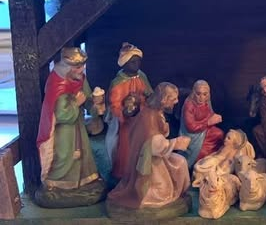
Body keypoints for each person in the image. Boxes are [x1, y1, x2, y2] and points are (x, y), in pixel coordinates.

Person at [107, 82, 191, 209]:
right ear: (164, 99)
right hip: (148, 161)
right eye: (173, 99)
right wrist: (175, 143)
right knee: (162, 190)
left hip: (157, 156)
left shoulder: (157, 112)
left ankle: (180, 193)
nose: (176, 101)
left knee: (181, 162)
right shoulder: (149, 116)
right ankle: (143, 196)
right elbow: (154, 145)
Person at [36, 47, 103, 192]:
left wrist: (95, 104)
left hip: (77, 124)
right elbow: (60, 114)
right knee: (65, 154)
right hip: (63, 130)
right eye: (78, 67)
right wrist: (76, 103)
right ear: (67, 67)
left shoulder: (80, 78)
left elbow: (86, 97)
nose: (82, 70)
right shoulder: (58, 85)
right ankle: (57, 182)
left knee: (83, 151)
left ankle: (83, 180)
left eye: (83, 66)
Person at [106, 42, 153, 179]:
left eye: (138, 62)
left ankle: (142, 170)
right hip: (126, 121)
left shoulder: (141, 76)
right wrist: (125, 113)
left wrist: (145, 101)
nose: (137, 65)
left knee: (143, 143)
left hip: (142, 117)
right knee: (127, 146)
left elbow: (149, 93)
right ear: (125, 63)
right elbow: (114, 104)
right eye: (133, 62)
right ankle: (124, 172)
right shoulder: (118, 82)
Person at [179, 80, 225, 167]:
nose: (201, 97)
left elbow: (209, 114)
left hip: (204, 129)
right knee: (203, 151)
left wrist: (215, 117)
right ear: (193, 93)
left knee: (219, 134)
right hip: (193, 135)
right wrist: (208, 122)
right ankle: (200, 159)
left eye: (205, 94)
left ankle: (215, 156)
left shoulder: (206, 102)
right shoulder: (189, 105)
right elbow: (191, 127)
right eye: (198, 94)